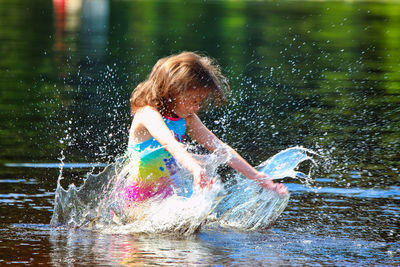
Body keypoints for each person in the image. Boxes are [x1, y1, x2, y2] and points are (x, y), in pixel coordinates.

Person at [125, 51, 287, 204]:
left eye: (200, 102)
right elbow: (172, 145)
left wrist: (258, 177)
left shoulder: (187, 118)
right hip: (140, 196)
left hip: (171, 193)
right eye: (193, 100)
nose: (196, 107)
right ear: (172, 91)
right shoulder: (147, 114)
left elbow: (221, 149)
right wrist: (195, 168)